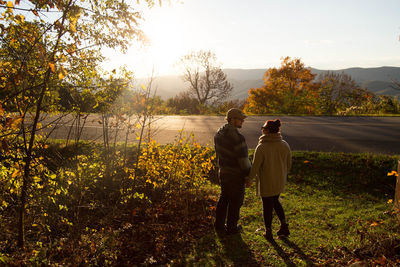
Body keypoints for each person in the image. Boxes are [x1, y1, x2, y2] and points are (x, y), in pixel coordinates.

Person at [248, 119, 291, 240]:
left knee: (267, 205)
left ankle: (268, 231)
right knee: (276, 202)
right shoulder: (284, 144)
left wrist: (249, 179)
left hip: (267, 181)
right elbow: (289, 164)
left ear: (267, 131)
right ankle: (284, 225)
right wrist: (282, 173)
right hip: (279, 181)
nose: (262, 130)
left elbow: (255, 166)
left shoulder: (262, 147)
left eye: (263, 128)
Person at [214, 108, 251, 234]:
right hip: (235, 174)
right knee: (236, 201)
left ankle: (219, 225)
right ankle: (232, 227)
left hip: (223, 172)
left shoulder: (218, 133)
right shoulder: (238, 137)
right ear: (233, 120)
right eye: (240, 119)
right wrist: (248, 175)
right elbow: (243, 160)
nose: (242, 122)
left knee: (224, 198)